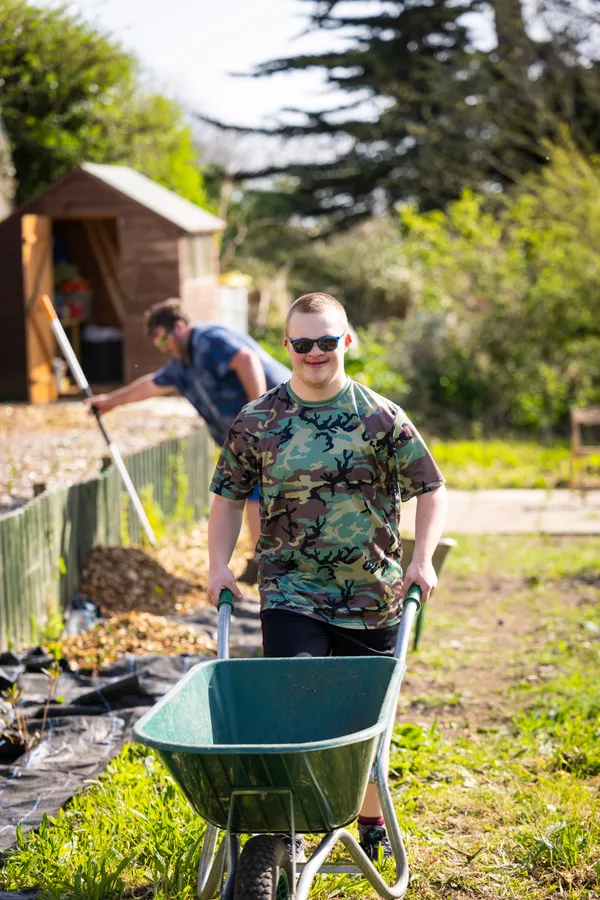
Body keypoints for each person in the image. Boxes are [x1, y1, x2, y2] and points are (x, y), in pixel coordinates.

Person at [207, 291, 448, 861]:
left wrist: (422, 559)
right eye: (303, 343)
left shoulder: (381, 417)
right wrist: (217, 564)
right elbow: (228, 498)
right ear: (286, 346)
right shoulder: (258, 419)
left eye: (326, 340)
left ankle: (370, 818)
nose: (315, 352)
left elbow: (431, 489)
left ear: (347, 340)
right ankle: (289, 825)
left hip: (373, 593)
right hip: (290, 590)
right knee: (293, 704)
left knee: (363, 722)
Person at [88, 298, 290, 584]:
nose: (164, 347)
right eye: (157, 344)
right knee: (255, 493)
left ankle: (274, 563)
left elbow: (246, 360)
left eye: (164, 339)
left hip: (281, 418)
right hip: (250, 438)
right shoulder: (181, 366)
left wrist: (258, 413)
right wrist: (109, 402)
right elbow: (149, 386)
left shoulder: (209, 340)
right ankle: (263, 564)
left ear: (180, 326)